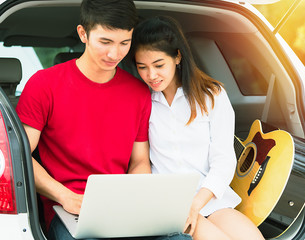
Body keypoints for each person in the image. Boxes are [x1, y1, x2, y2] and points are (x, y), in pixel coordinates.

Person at [16, 1, 191, 240]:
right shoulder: (44, 85)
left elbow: (139, 161)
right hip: (66, 208)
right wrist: (65, 196)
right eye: (105, 42)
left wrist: (132, 201)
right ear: (83, 34)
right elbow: (21, 156)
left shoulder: (139, 93)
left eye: (124, 43)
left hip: (121, 208)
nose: (114, 54)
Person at [130, 16, 265, 240]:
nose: (151, 75)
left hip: (210, 196)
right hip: (168, 202)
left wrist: (197, 202)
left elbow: (223, 160)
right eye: (142, 67)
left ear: (177, 57)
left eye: (159, 65)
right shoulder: (141, 101)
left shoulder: (212, 96)